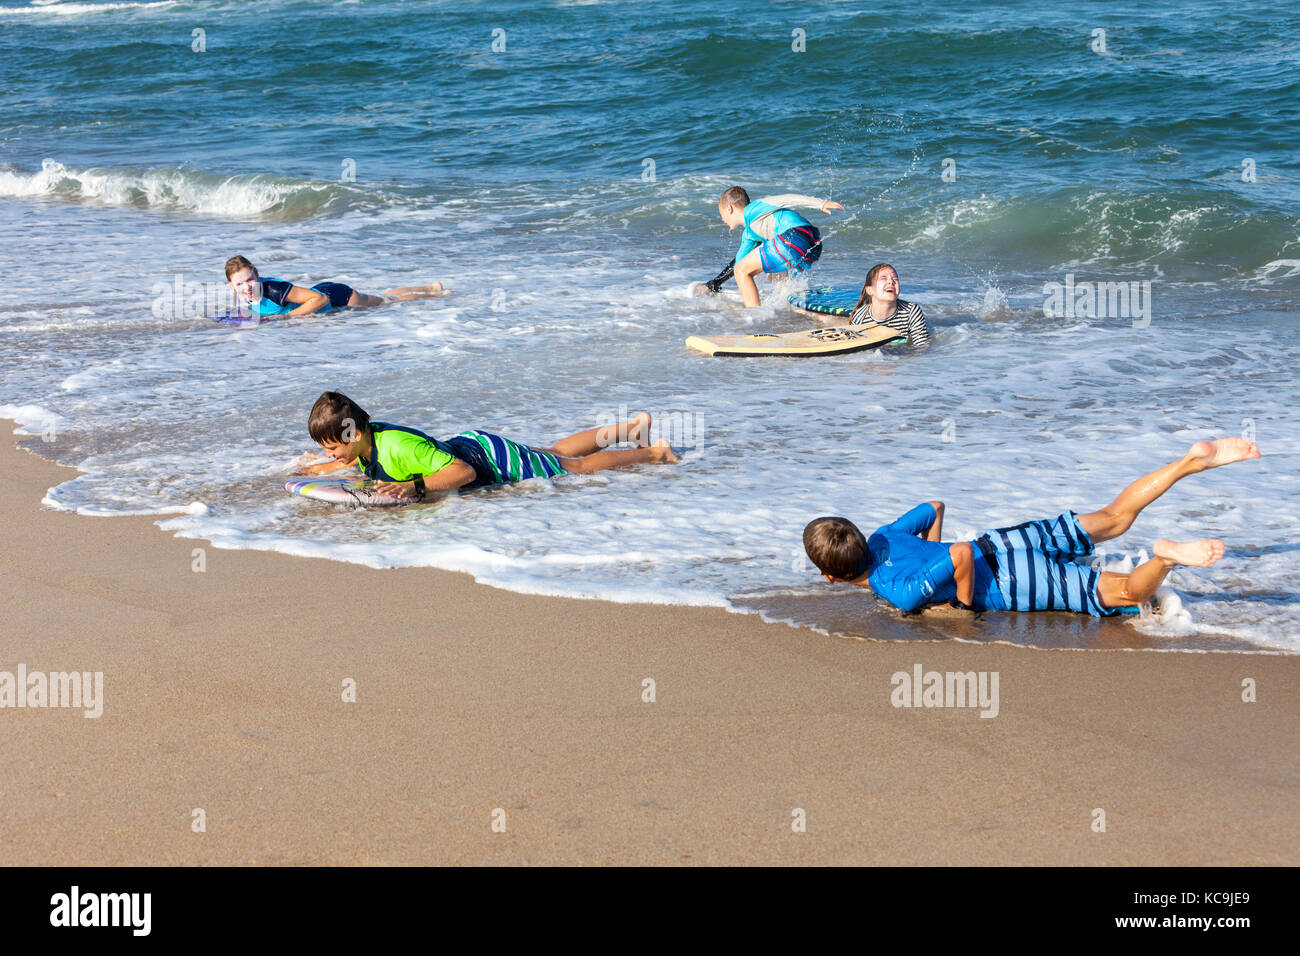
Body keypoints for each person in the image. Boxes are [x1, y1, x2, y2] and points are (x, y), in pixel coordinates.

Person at [802, 438, 1261, 616]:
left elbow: (957, 557)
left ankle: (1164, 557)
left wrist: (963, 608)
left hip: (1014, 582)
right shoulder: (883, 536)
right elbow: (932, 506)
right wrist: (934, 554)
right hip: (1006, 540)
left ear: (829, 576)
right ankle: (1188, 462)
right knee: (1115, 517)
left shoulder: (894, 590)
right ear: (858, 535)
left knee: (1128, 595)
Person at [296, 391, 678, 500]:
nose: (333, 456)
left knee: (569, 467)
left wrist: (416, 487)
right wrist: (323, 467)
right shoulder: (365, 441)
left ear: (355, 433)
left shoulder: (398, 447)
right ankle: (632, 426)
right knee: (553, 454)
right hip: (472, 443)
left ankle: (654, 452)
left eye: (333, 449)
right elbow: (359, 462)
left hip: (487, 460)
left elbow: (464, 473)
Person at [697, 187, 844, 307]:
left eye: (721, 214)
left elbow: (787, 199)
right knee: (766, 269)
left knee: (742, 271)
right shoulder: (749, 234)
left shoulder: (754, 209)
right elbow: (738, 262)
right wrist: (714, 284)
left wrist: (820, 203)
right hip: (811, 241)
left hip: (794, 236)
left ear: (729, 208)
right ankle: (791, 301)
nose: (722, 219)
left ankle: (753, 317)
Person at [224, 255, 450, 319]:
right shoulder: (243, 294)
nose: (247, 287)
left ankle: (434, 295)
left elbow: (320, 300)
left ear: (257, 274)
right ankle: (429, 287)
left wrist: (286, 317)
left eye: (250, 280)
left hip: (336, 296)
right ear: (231, 285)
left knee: (387, 303)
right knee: (382, 298)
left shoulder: (274, 289)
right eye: (240, 284)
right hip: (326, 294)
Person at [847, 262, 930, 349]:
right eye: (883, 278)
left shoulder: (911, 312)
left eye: (895, 278)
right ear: (870, 290)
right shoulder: (860, 318)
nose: (891, 281)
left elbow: (921, 348)